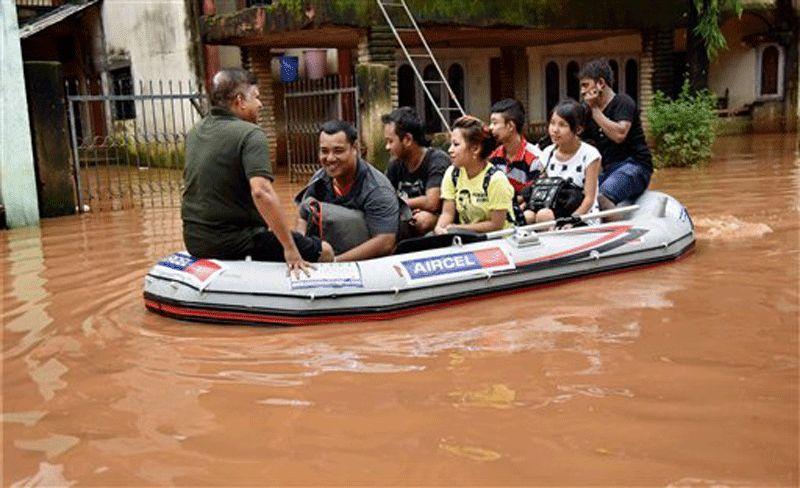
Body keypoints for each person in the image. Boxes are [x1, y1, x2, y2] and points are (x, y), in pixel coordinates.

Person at [181, 68, 333, 275]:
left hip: (195, 241)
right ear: (240, 100)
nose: (261, 104)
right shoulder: (251, 134)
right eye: (257, 97)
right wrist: (290, 248)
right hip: (234, 241)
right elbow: (261, 192)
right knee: (324, 250)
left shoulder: (195, 132)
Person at [295, 120, 401, 262]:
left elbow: (385, 242)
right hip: (329, 250)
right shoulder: (319, 178)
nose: (330, 158)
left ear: (354, 148)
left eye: (338, 151)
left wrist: (335, 262)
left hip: (363, 260)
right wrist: (300, 249)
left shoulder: (378, 189)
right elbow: (303, 213)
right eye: (324, 151)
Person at [579, 58, 653, 209]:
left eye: (585, 85)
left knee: (603, 196)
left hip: (636, 166)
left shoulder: (623, 102)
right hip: (608, 170)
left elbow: (619, 135)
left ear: (600, 83)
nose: (582, 92)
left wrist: (594, 110)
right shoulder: (589, 112)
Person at [524, 99, 601, 226]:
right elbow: (542, 187)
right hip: (554, 208)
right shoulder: (547, 153)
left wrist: (571, 221)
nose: (555, 130)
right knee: (528, 216)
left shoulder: (590, 155)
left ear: (578, 129)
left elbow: (589, 199)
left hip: (581, 215)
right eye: (552, 123)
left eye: (562, 125)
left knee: (544, 216)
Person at [435, 116, 515, 235]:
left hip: (499, 242)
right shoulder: (452, 173)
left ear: (475, 148)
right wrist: (440, 228)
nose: (450, 150)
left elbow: (496, 225)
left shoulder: (496, 179)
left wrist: (458, 228)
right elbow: (447, 213)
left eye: (456, 144)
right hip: (465, 239)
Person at [382, 107, 451, 235]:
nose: (387, 147)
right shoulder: (395, 165)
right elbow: (384, 197)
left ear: (407, 139)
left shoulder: (436, 160)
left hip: (440, 220)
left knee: (423, 220)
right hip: (408, 216)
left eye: (391, 141)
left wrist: (401, 204)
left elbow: (432, 202)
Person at [488, 98, 544, 200]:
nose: (490, 127)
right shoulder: (494, 157)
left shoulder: (535, 159)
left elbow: (533, 196)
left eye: (495, 123)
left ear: (510, 126)